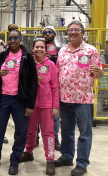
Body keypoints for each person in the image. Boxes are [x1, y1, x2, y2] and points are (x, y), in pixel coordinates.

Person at [0, 24, 38, 175]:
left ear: (20, 39)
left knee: (20, 132)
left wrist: (30, 105)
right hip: (2, 99)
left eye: (16, 38)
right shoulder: (2, 56)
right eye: (10, 38)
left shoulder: (27, 57)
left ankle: (15, 160)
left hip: (20, 101)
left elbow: (33, 82)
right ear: (7, 40)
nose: (13, 40)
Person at [54, 21, 103, 176]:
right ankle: (67, 157)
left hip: (83, 99)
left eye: (76, 30)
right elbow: (57, 71)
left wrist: (99, 73)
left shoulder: (91, 50)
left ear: (83, 32)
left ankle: (82, 163)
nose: (73, 32)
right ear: (67, 32)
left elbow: (99, 73)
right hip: (64, 98)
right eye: (70, 30)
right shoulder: (62, 51)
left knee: (84, 133)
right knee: (66, 131)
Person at [20, 38, 59, 175]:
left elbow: (55, 86)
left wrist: (55, 106)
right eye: (37, 47)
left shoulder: (51, 65)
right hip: (31, 104)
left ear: (45, 50)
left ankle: (50, 159)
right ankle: (29, 152)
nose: (39, 49)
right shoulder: (27, 65)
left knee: (48, 133)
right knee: (30, 131)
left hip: (46, 104)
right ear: (32, 49)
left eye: (42, 47)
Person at [35, 26, 61, 151]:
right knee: (35, 121)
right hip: (36, 96)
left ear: (55, 34)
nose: (47, 34)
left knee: (54, 119)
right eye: (45, 32)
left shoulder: (60, 50)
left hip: (50, 92)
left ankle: (54, 139)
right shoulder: (35, 56)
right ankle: (34, 138)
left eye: (50, 32)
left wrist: (51, 59)